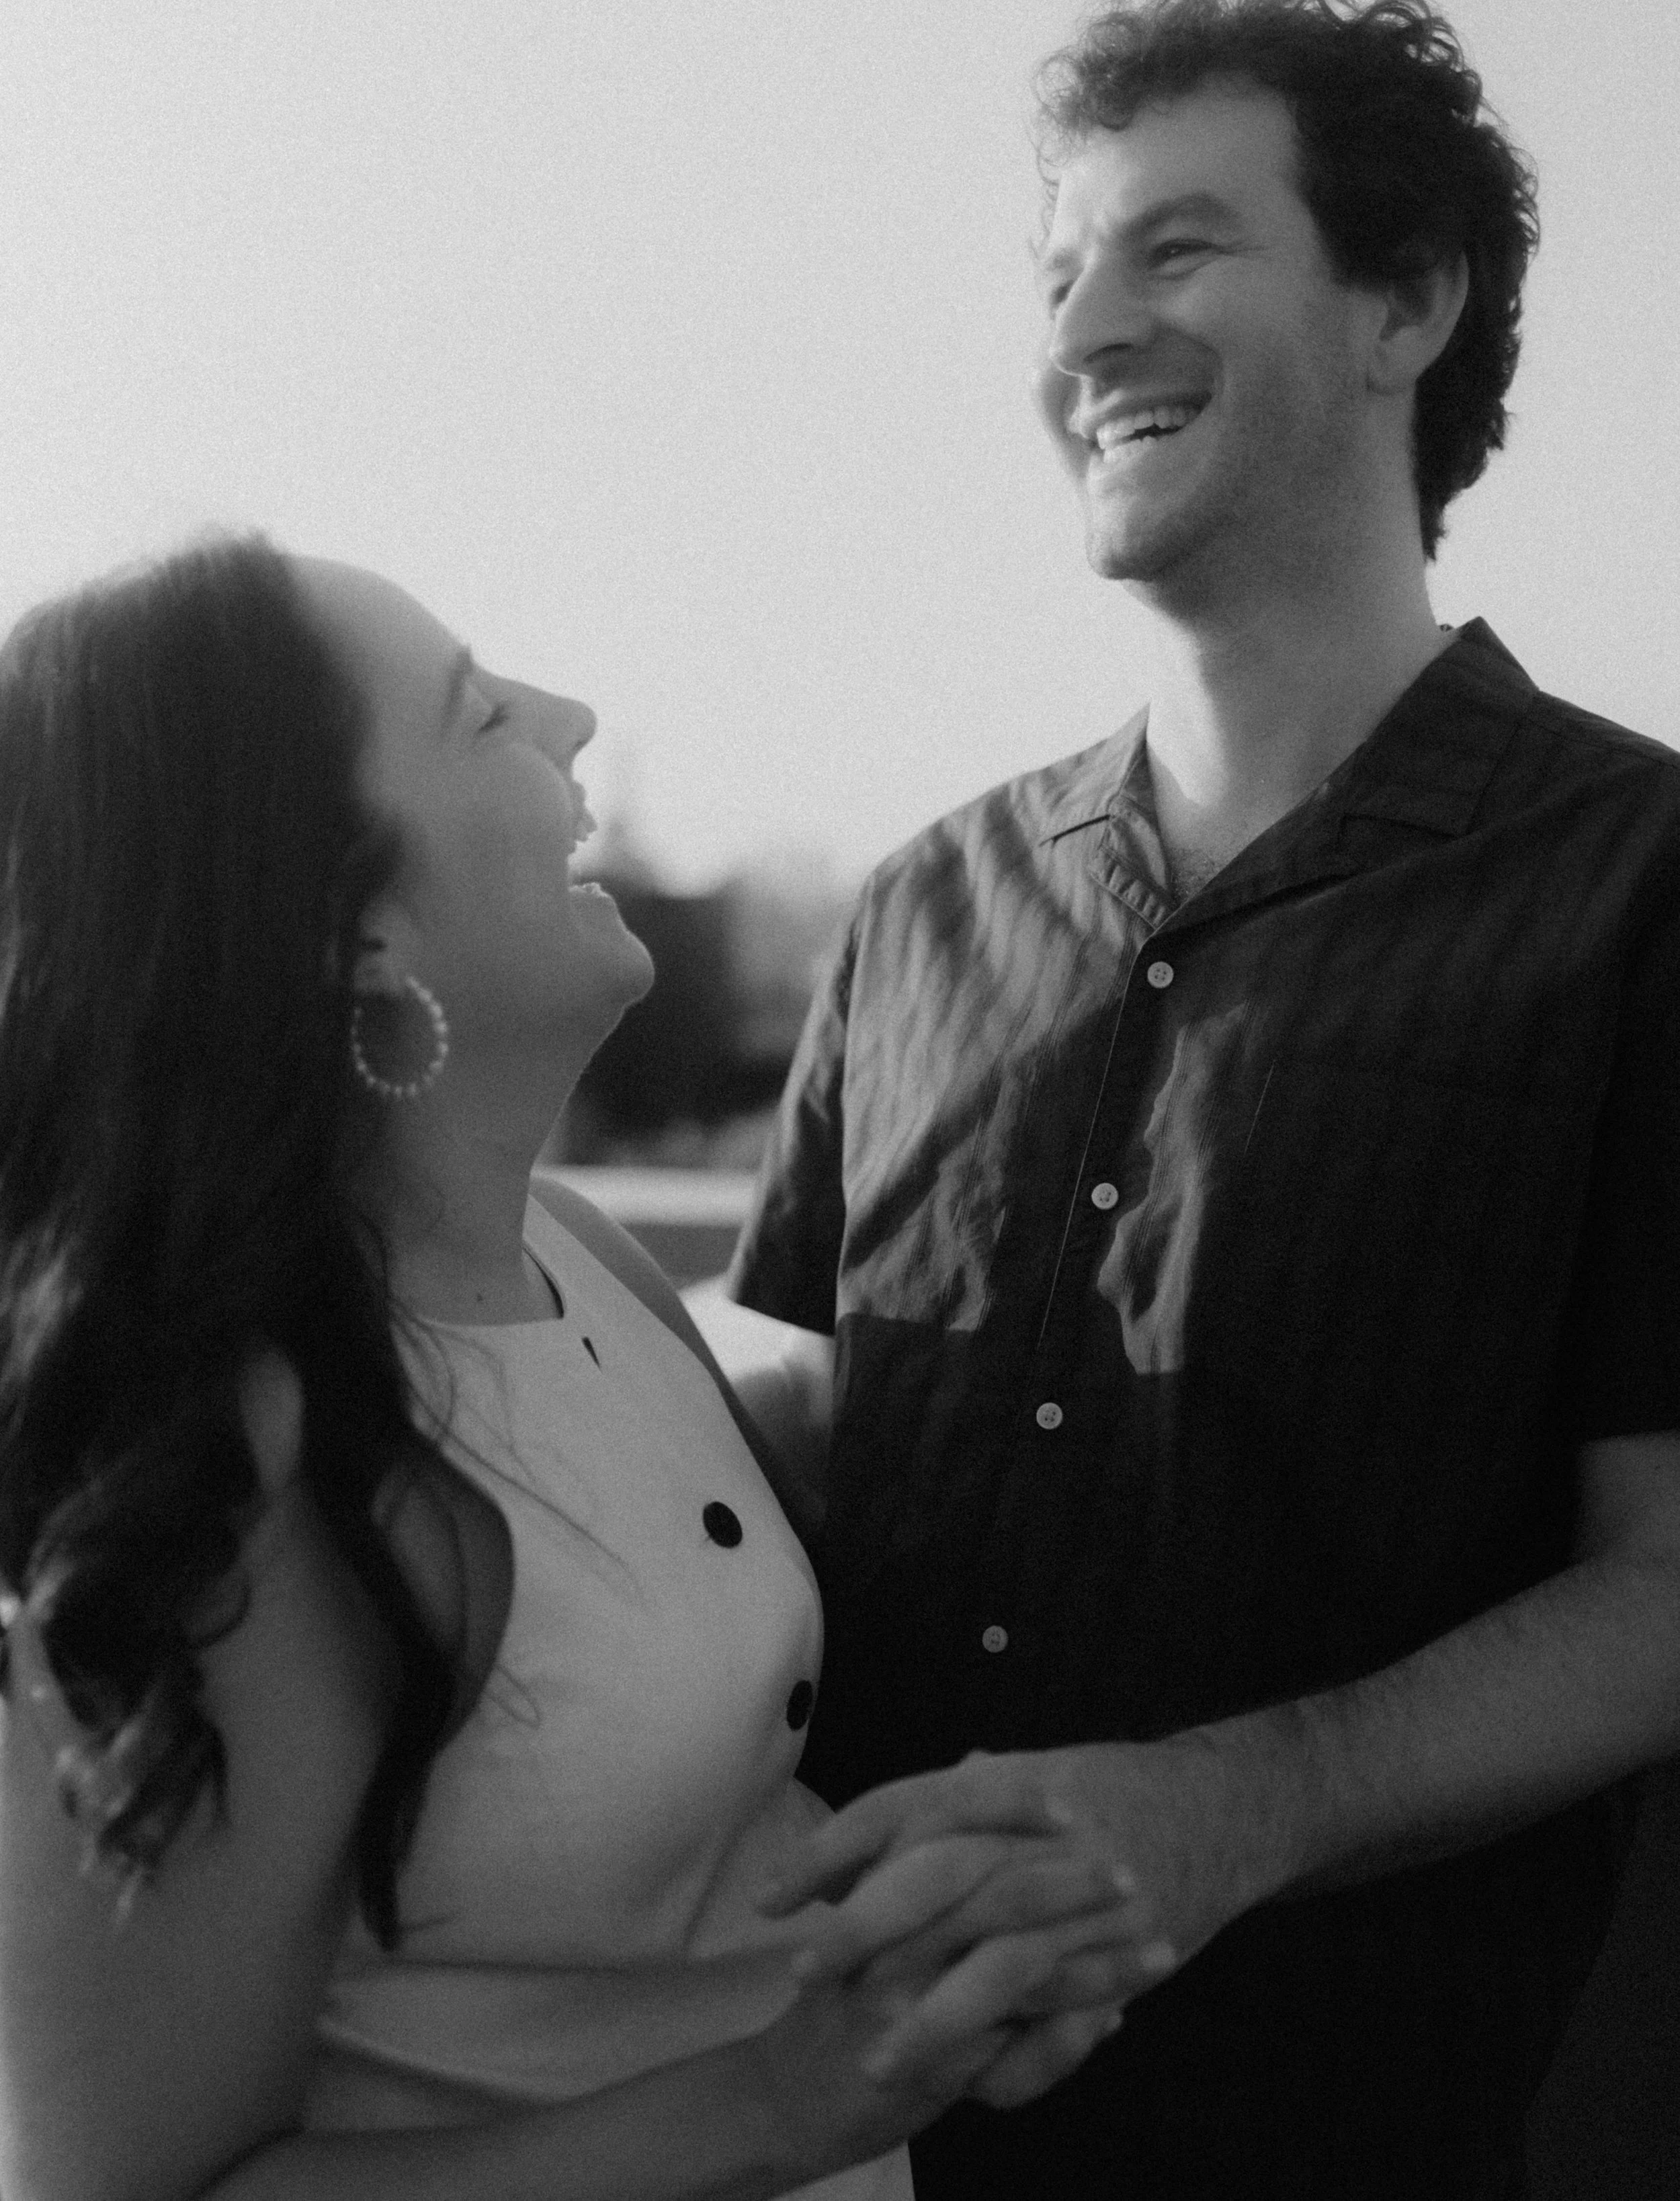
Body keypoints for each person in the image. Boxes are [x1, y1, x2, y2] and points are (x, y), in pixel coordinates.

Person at [725, 1, 1680, 2192]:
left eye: (1173, 250)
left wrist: (1226, 1807)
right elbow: (781, 1424)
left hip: (1353, 2130)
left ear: (1406, 302)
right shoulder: (917, 907)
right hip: (822, 2133)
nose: (1084, 325)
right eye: (1054, 268)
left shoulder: (1643, 885)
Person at [0, 538, 1150, 2200]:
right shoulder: (233, 1449)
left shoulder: (580, 1255)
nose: (574, 717)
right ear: (351, 936)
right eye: (479, 715)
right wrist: (786, 2097)